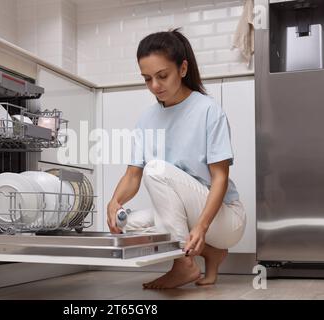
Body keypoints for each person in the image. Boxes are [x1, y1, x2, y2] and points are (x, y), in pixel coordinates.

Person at [106, 28, 247, 289]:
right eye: (147, 79)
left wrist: (203, 228)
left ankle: (184, 265)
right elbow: (132, 175)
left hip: (225, 218)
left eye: (162, 76)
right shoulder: (146, 119)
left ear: (183, 69)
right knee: (123, 223)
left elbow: (220, 179)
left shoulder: (208, 110)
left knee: (157, 169)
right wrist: (114, 202)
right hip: (189, 215)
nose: (155, 86)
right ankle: (211, 254)